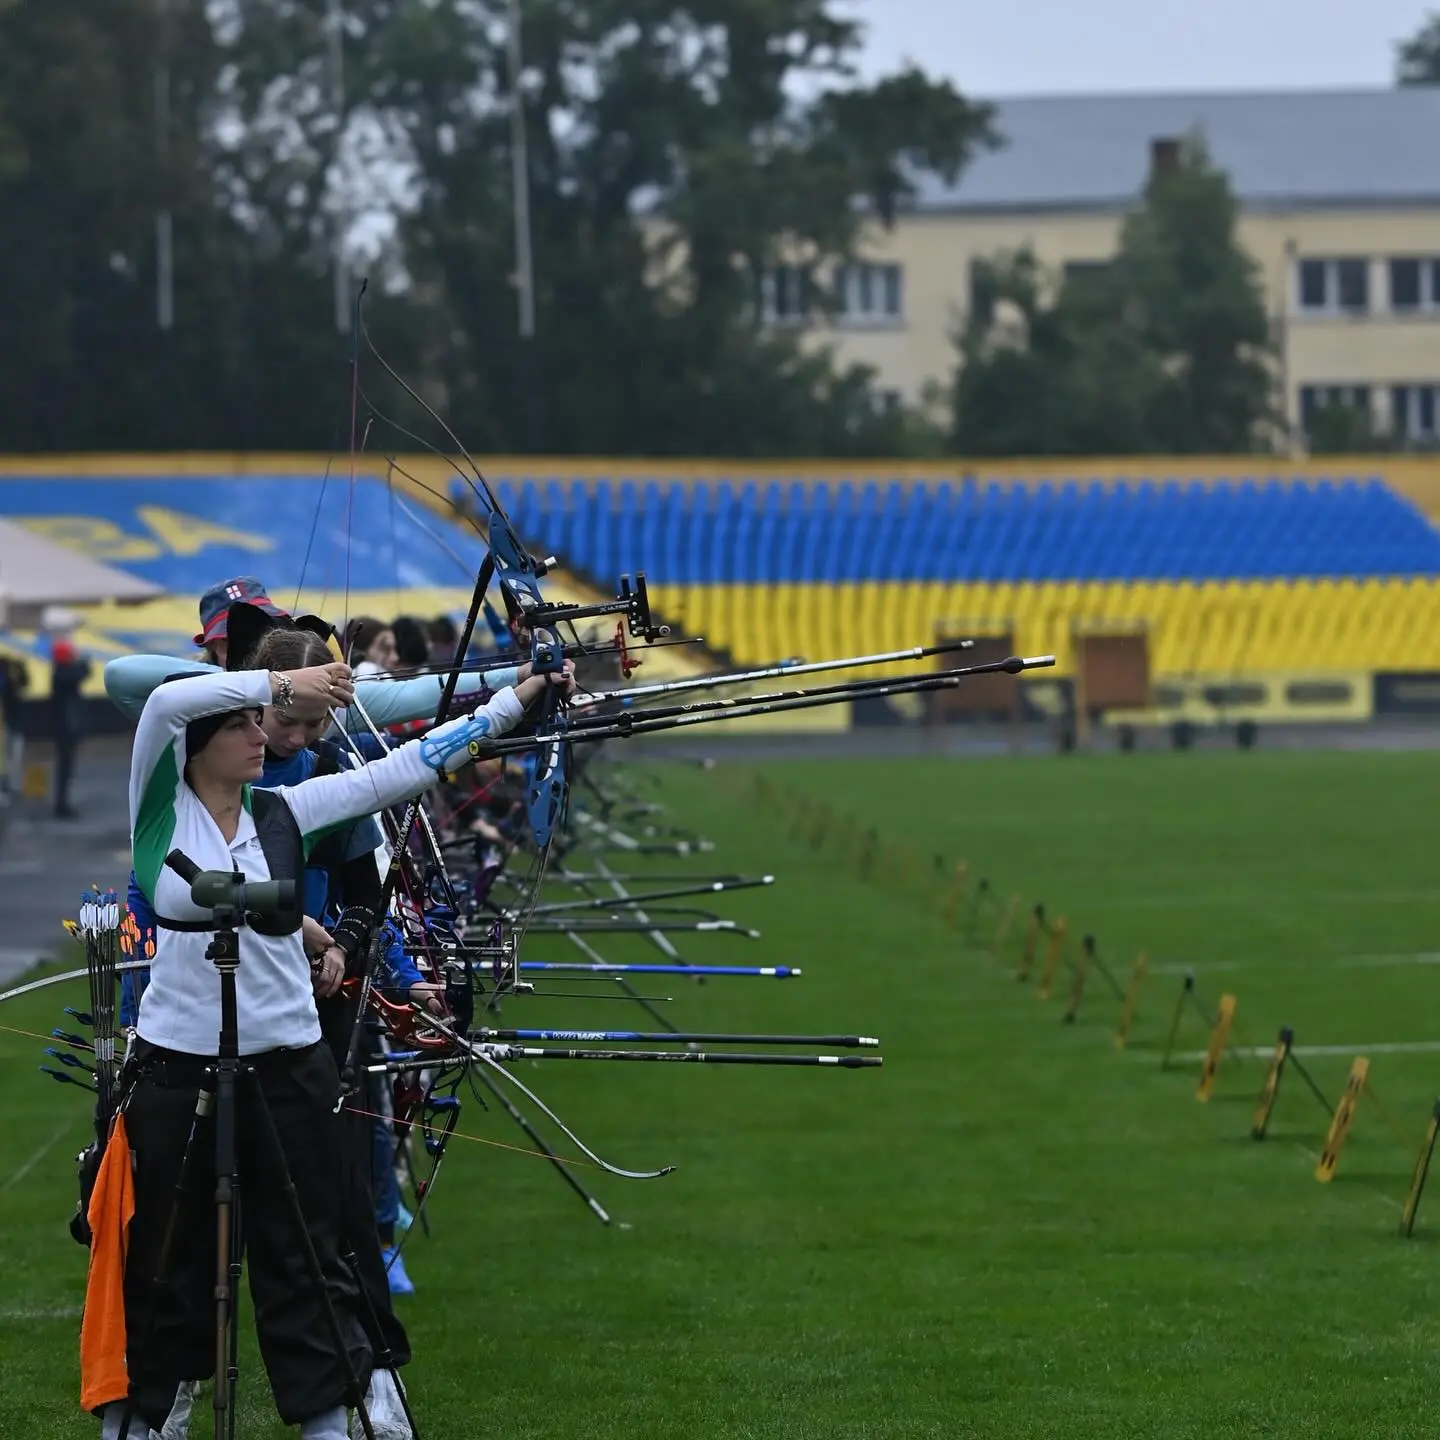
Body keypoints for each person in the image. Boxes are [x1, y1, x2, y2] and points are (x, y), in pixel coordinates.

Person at [97, 656, 573, 1440]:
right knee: (165, 1254)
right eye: (244, 724)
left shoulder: (285, 810)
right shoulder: (159, 803)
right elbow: (162, 693)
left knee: (307, 1254)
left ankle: (326, 1422)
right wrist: (286, 684)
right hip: (179, 1064)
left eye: (263, 720)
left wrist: (516, 698)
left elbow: (410, 766)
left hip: (288, 1059)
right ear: (198, 742)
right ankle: (148, 1417)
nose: (264, 735)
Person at [49, 633, 91, 819]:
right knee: (64, 769)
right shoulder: (62, 674)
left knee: (66, 769)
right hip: (65, 728)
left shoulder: (61, 672)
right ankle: (61, 805)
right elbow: (83, 672)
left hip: (64, 727)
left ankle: (62, 803)